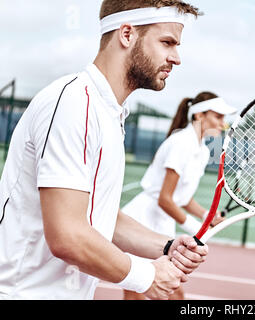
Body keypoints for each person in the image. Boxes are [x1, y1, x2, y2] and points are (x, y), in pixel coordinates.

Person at [0, 0, 209, 300]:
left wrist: (166, 246)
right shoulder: (75, 104)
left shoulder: (108, 114)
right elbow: (68, 235)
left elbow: (98, 216)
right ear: (127, 34)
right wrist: (146, 276)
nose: (176, 58)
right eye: (167, 43)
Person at [122, 92, 236, 300]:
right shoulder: (181, 143)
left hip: (160, 221)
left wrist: (205, 216)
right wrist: (193, 227)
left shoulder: (201, 149)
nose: (223, 124)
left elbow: (181, 198)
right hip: (143, 220)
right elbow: (164, 199)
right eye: (218, 117)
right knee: (165, 291)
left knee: (141, 290)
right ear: (199, 115)